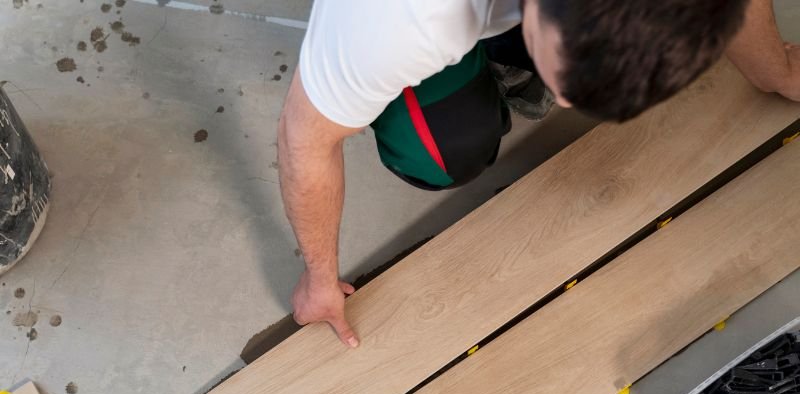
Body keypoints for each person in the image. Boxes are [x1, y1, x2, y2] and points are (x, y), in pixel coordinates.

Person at [279, 0, 800, 348]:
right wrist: (319, 277)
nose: (568, 102)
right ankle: (483, 61)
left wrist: (774, 69)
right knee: (442, 150)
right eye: (568, 79)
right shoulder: (401, 21)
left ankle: (514, 51)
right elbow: (305, 139)